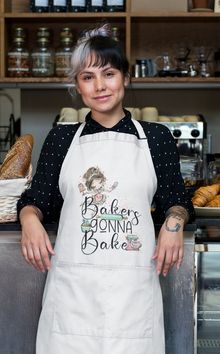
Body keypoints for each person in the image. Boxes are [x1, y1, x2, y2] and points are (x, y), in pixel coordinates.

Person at [17, 23, 195, 354]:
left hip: (133, 295)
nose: (100, 86)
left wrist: (174, 224)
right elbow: (36, 200)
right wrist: (29, 220)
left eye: (109, 74)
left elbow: (178, 201)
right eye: (88, 77)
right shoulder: (61, 138)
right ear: (77, 86)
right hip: (73, 296)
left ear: (125, 78)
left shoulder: (156, 138)